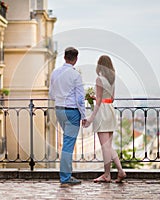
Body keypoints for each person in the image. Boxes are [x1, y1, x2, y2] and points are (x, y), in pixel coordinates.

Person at [84, 55, 126, 183]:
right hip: (110, 110)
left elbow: (98, 103)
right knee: (108, 146)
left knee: (105, 147)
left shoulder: (99, 79)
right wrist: (98, 98)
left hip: (102, 111)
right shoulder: (112, 79)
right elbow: (112, 98)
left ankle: (108, 174)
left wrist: (90, 118)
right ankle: (119, 171)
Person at [49, 47, 86, 185]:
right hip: (72, 112)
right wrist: (84, 115)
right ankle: (65, 177)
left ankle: (66, 175)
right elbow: (80, 99)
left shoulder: (55, 73)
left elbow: (51, 94)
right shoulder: (75, 75)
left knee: (67, 142)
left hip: (59, 110)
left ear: (64, 57)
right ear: (76, 59)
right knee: (68, 145)